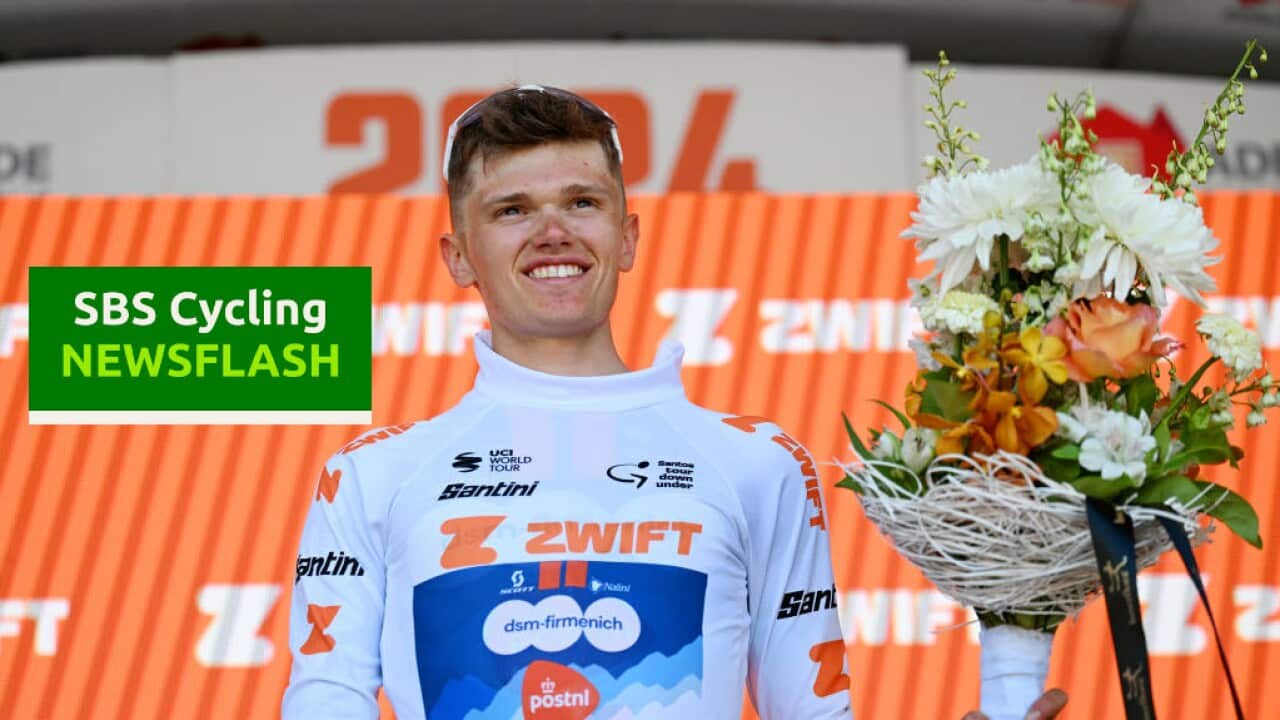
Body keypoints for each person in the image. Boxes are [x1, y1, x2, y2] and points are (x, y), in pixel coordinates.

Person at [281, 84, 1065, 720]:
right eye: (512, 210)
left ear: (627, 237)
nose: (552, 231)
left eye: (582, 203)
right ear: (459, 257)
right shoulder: (372, 476)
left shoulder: (760, 464)